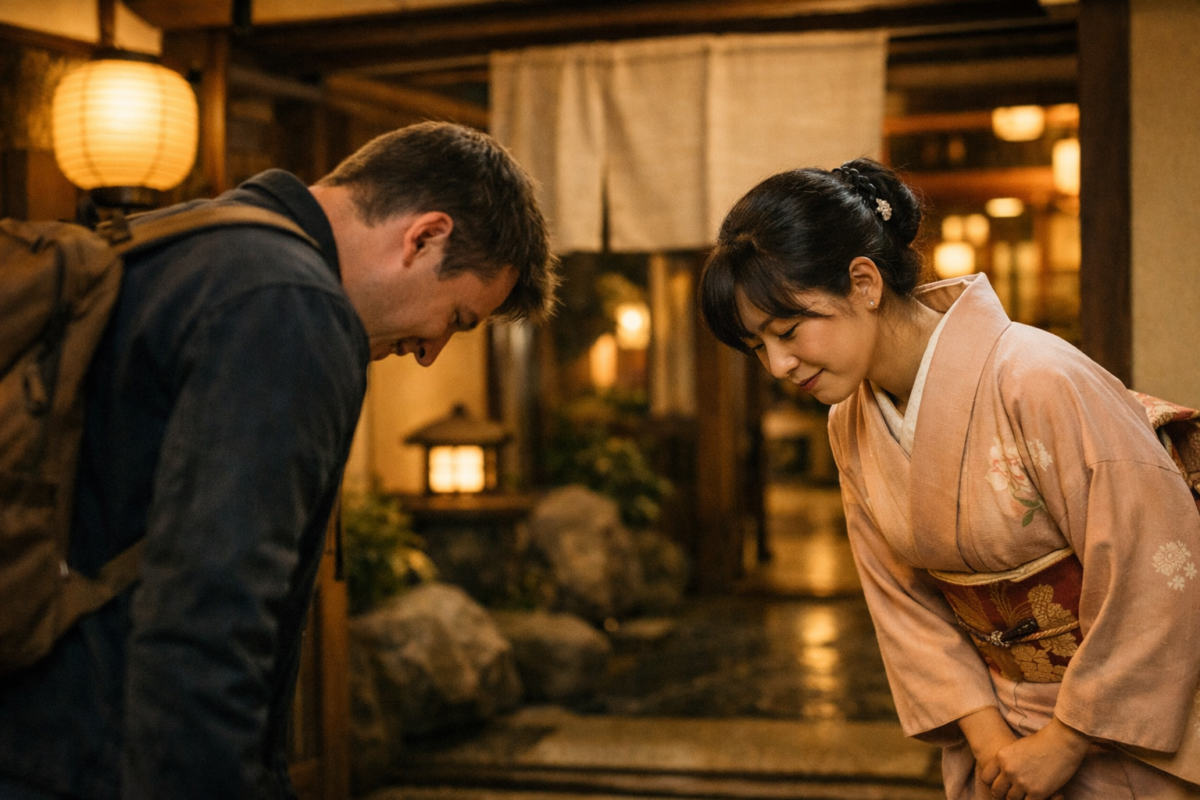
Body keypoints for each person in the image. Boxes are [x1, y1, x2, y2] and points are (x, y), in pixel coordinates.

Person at [0, 121, 558, 799]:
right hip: (105, 759)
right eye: (459, 318)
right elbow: (211, 611)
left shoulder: (182, 240)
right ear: (424, 236)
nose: (432, 349)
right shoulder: (290, 307)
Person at [698, 158, 1200, 800]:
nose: (778, 364)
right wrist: (989, 738)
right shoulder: (847, 422)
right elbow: (902, 602)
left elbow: (1155, 564)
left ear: (863, 282)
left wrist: (1066, 740)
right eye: (757, 346)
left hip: (1116, 729)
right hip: (997, 729)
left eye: (789, 331)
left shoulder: (1037, 378)